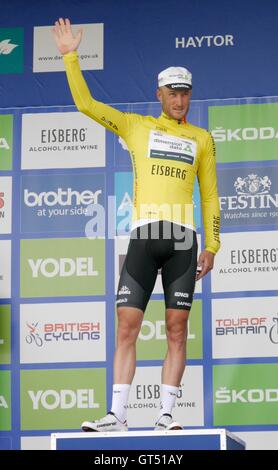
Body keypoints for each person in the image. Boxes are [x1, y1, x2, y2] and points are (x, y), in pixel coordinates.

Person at [53, 18, 221, 432]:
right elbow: (86, 106)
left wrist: (212, 245)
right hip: (145, 236)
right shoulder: (135, 126)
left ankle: (165, 415)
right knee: (127, 325)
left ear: (189, 95)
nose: (179, 100)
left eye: (185, 93)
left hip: (183, 239)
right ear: (159, 94)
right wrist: (70, 57)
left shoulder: (201, 138)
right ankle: (117, 415)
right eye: (172, 93)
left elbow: (211, 194)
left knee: (177, 328)